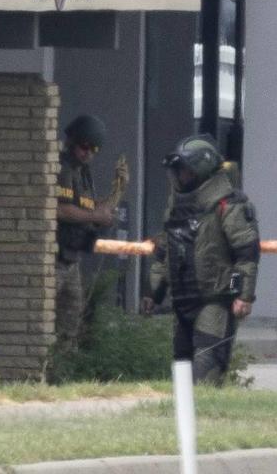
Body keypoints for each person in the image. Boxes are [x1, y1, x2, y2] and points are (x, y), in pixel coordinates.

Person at [142, 134, 260, 385]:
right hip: (182, 300)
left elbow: (246, 251)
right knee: (182, 372)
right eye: (177, 171)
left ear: (200, 171)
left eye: (184, 170)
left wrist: (242, 295)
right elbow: (164, 253)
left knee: (206, 370)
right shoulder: (176, 205)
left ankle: (207, 418)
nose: (179, 176)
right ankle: (183, 422)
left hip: (215, 300)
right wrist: (153, 293)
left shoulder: (229, 204)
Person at [55, 114, 128, 355]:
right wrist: (96, 217)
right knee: (48, 313)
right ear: (73, 142)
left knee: (73, 313)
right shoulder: (64, 169)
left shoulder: (82, 172)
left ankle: (64, 361)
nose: (88, 153)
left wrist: (113, 197)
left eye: (94, 149)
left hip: (71, 257)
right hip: (55, 257)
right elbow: (62, 210)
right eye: (84, 147)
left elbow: (88, 207)